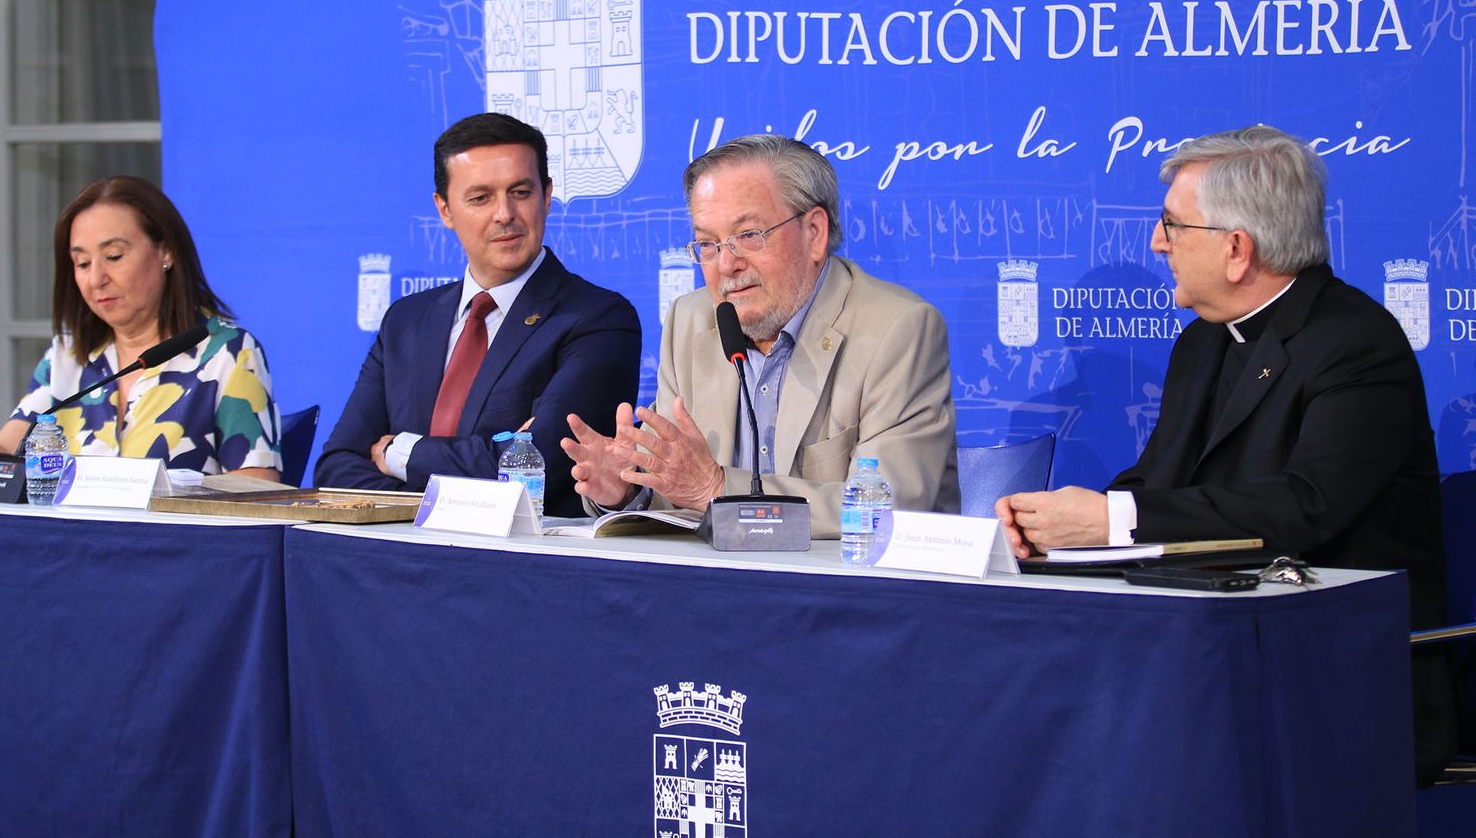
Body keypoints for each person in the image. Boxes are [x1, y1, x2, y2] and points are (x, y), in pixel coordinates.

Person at [994, 125, 1455, 785]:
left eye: (1173, 226)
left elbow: (1306, 507)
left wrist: (1113, 521)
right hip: (1210, 654)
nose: (1158, 242)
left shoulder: (1357, 344)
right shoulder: (1203, 343)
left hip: (1336, 675)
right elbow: (1157, 485)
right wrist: (1060, 534)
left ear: (1237, 248)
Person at [564, 133, 958, 533]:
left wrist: (717, 489)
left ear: (814, 232)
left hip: (854, 588)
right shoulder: (690, 321)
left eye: (748, 236)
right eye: (707, 243)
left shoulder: (898, 329)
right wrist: (629, 489)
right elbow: (676, 485)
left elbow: (884, 507)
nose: (725, 264)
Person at [313, 112, 640, 515]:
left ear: (547, 195)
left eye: (520, 192)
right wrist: (440, 499)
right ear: (445, 209)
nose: (504, 214)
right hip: (397, 563)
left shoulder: (598, 319)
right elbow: (336, 470)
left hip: (524, 567)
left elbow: (534, 467)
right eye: (480, 198)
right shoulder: (405, 321)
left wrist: (399, 452)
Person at [0, 176, 282, 485]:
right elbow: (5, 453)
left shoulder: (228, 354)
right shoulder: (68, 356)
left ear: (166, 252)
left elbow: (259, 485)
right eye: (81, 264)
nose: (97, 279)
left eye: (113, 256)